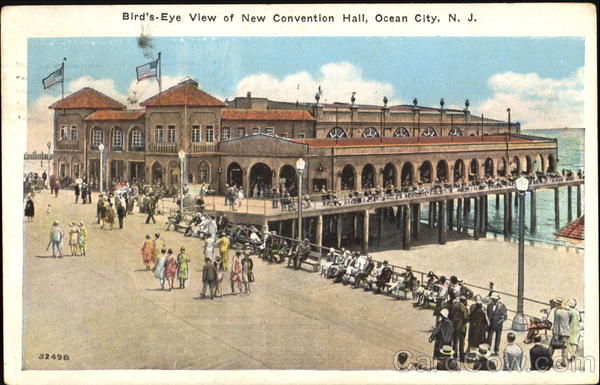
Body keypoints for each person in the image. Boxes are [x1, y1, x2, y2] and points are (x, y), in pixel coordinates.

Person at [549, 297, 570, 367]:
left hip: (558, 333)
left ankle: (548, 360)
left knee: (551, 347)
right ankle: (564, 362)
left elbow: (556, 324)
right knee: (564, 347)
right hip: (566, 333)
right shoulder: (567, 311)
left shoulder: (557, 311)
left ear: (557, 304)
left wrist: (555, 334)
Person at [450, 296, 469, 362]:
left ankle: (454, 356)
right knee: (461, 343)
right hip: (462, 328)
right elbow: (466, 319)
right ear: (464, 301)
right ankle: (461, 357)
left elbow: (451, 315)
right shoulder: (465, 309)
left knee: (455, 342)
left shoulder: (454, 306)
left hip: (454, 327)